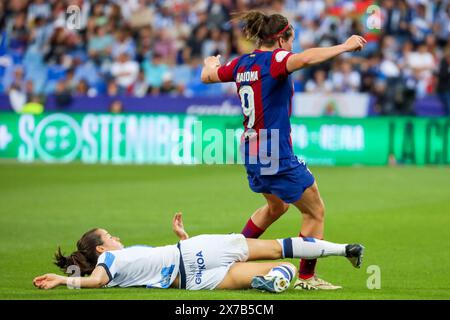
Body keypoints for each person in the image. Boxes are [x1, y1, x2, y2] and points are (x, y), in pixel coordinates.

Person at [200, 11, 367, 290]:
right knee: (315, 212)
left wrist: (210, 61)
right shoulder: (276, 59)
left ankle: (229, 257)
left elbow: (208, 75)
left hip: (252, 151)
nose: (292, 47)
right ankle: (306, 278)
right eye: (291, 41)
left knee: (276, 206)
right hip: (275, 151)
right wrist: (345, 46)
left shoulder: (242, 63)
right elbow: (305, 58)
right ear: (280, 39)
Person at [33, 213, 364, 292]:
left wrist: (182, 237)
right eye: (109, 235)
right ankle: (343, 249)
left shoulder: (118, 267)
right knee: (280, 248)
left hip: (195, 279)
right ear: (101, 248)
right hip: (196, 251)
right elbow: (96, 279)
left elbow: (105, 279)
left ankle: (273, 280)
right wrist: (65, 281)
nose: (116, 237)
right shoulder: (107, 261)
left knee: (281, 269)